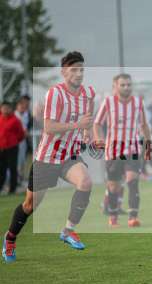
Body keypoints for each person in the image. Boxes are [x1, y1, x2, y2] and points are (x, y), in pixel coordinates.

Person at [2, 51, 95, 263]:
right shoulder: (55, 93)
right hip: (47, 157)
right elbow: (50, 127)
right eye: (74, 70)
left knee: (86, 181)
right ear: (64, 72)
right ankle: (10, 238)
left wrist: (87, 133)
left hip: (69, 155)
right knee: (30, 205)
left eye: (81, 69)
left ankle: (68, 230)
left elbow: (87, 120)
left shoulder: (89, 93)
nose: (79, 73)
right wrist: (78, 125)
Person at [93, 73, 151, 228]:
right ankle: (113, 216)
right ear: (115, 86)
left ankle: (133, 217)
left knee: (132, 181)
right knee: (113, 187)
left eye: (129, 85)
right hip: (113, 152)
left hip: (132, 150)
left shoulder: (138, 103)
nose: (127, 87)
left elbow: (144, 125)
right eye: (123, 85)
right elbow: (97, 123)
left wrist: (148, 144)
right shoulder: (108, 102)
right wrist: (99, 139)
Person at [0, 101, 26, 194]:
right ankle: (1, 186)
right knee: (2, 168)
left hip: (12, 148)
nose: (5, 110)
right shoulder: (0, 119)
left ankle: (12, 189)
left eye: (7, 108)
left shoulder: (15, 120)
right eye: (4, 108)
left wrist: (14, 142)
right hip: (1, 148)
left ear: (11, 109)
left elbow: (21, 134)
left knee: (12, 168)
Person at [14, 95, 32, 184]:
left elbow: (28, 127)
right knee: (15, 161)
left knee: (22, 160)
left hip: (23, 142)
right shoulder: (13, 115)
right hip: (14, 141)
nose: (23, 106)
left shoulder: (27, 115)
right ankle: (14, 179)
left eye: (24, 105)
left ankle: (20, 178)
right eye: (20, 105)